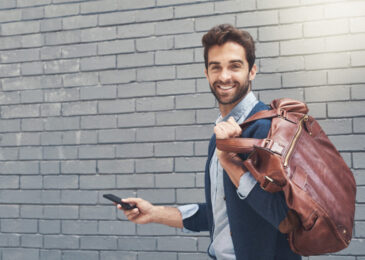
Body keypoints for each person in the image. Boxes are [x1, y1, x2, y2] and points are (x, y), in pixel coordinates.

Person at [118, 24, 302, 260]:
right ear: (206, 73)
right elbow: (221, 214)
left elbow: (286, 219)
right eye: (216, 67)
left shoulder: (267, 130)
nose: (224, 76)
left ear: (252, 71)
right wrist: (154, 213)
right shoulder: (219, 136)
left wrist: (229, 161)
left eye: (235, 66)